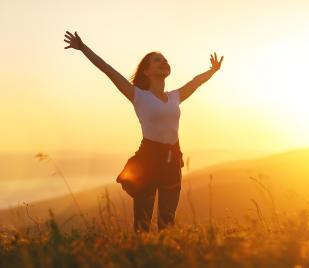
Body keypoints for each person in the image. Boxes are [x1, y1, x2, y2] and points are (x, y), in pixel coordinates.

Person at [63, 31, 223, 232]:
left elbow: (196, 82)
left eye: (165, 60)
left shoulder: (175, 96)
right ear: (146, 71)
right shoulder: (137, 95)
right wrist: (83, 48)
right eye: (157, 61)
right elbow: (108, 70)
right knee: (142, 224)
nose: (163, 62)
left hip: (173, 160)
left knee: (168, 223)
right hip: (148, 161)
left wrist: (213, 71)